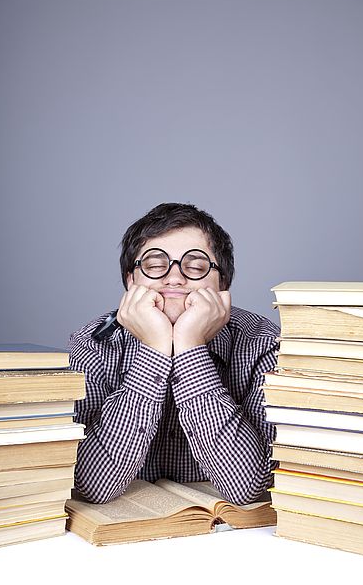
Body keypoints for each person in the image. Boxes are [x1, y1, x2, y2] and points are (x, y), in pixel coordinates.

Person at [69, 202, 279, 505]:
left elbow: (249, 488)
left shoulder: (263, 345)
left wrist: (190, 347)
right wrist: (154, 348)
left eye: (195, 266)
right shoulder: (94, 343)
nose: (174, 278)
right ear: (131, 280)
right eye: (155, 266)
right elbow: (91, 485)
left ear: (223, 284)